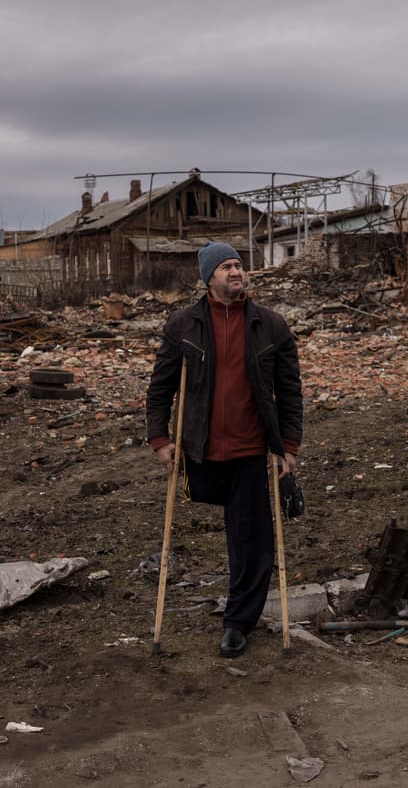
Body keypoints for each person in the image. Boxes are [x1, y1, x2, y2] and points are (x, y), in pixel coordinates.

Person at [146, 242, 303, 658]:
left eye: (238, 265)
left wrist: (288, 446)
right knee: (226, 521)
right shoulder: (183, 325)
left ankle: (238, 621)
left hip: (252, 449)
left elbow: (289, 391)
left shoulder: (270, 326)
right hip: (201, 450)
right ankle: (233, 606)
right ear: (209, 277)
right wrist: (160, 440)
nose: (236, 272)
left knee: (251, 539)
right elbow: (161, 387)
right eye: (227, 267)